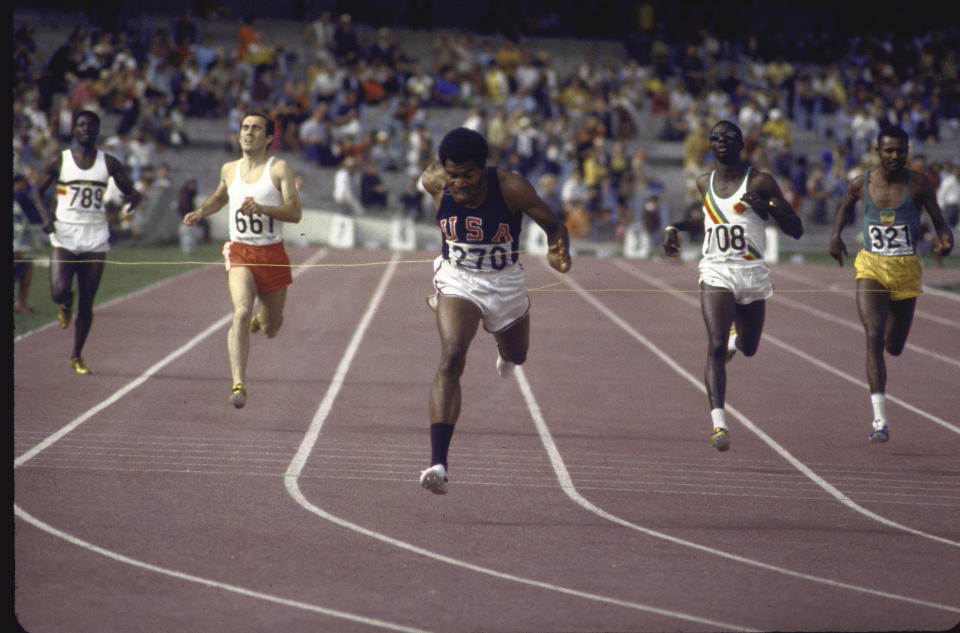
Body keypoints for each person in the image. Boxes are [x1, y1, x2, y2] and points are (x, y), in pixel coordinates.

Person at [418, 127, 572, 494]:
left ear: (482, 168)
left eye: (468, 175)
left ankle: (505, 352)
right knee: (451, 357)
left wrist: (558, 249)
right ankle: (438, 463)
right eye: (452, 175)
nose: (459, 184)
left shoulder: (510, 187)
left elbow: (554, 225)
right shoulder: (433, 180)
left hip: (504, 283)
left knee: (517, 355)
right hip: (459, 280)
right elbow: (438, 187)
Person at [663, 120, 803, 451]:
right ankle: (719, 425)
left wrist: (765, 207)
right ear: (709, 146)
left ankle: (735, 341)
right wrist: (675, 227)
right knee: (713, 345)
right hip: (716, 272)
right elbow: (712, 219)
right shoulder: (703, 182)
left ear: (742, 145)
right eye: (715, 138)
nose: (721, 142)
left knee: (750, 346)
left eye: (728, 138)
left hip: (751, 273)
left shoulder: (761, 181)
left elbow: (796, 228)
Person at [828, 124, 953, 443]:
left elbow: (940, 223)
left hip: (906, 269)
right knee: (872, 335)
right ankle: (879, 419)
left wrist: (945, 242)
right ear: (877, 150)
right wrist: (835, 237)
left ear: (907, 151)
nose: (894, 156)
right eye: (888, 150)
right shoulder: (861, 183)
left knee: (893, 346)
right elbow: (845, 208)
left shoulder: (919, 184)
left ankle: (886, 355)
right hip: (871, 266)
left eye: (900, 150)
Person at [182, 111, 303, 408]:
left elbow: (295, 213)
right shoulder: (228, 169)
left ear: (269, 137)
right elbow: (221, 197)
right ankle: (239, 383)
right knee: (240, 311)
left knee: (271, 328)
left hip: (272, 254)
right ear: (238, 134)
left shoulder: (279, 169)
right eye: (245, 127)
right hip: (240, 251)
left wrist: (262, 208)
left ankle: (262, 321)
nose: (249, 133)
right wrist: (201, 212)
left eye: (257, 128)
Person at [33, 110, 143, 374]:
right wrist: (45, 217)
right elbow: (37, 190)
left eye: (91, 126)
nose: (85, 130)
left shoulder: (109, 163)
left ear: (97, 131)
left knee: (88, 300)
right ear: (74, 130)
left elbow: (132, 192)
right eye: (81, 125)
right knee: (59, 290)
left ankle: (76, 355)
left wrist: (131, 202)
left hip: (95, 238)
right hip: (65, 235)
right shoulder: (59, 160)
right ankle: (64, 303)